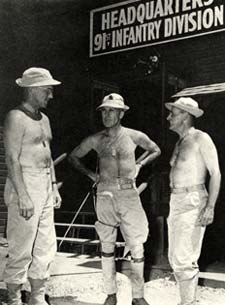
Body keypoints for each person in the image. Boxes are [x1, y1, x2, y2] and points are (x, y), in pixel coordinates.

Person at [69, 93, 161, 305]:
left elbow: (155, 149)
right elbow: (74, 156)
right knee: (107, 244)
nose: (107, 114)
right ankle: (110, 294)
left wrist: (139, 164)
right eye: (104, 111)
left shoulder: (134, 135)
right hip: (105, 193)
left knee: (137, 245)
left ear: (121, 113)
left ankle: (138, 296)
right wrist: (91, 174)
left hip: (128, 193)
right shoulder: (96, 139)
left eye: (112, 110)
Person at [3, 67, 62, 305]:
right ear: (33, 90)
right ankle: (14, 297)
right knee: (21, 244)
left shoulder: (44, 119)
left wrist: (54, 186)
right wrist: (23, 195)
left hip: (45, 183)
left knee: (46, 244)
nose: (51, 95)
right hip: (24, 182)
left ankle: (37, 297)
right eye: (47, 90)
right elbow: (11, 159)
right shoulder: (15, 117)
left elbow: (48, 154)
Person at [165, 97, 221, 305]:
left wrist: (210, 207)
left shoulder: (201, 138)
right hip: (176, 201)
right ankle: (187, 301)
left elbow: (215, 173)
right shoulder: (180, 141)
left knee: (184, 258)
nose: (168, 117)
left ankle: (188, 303)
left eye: (174, 113)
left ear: (186, 116)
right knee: (175, 258)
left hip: (193, 200)